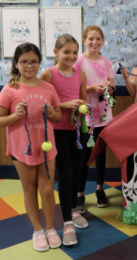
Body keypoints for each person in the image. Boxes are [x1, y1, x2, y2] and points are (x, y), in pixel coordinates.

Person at [0, 43, 62, 251]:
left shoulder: (49, 88)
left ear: (39, 63)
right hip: (22, 148)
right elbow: (1, 120)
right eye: (24, 61)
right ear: (16, 63)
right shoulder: (10, 89)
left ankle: (51, 228)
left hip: (46, 148)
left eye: (34, 61)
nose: (29, 66)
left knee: (47, 190)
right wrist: (14, 116)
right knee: (29, 190)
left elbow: (59, 117)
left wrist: (51, 112)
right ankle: (37, 230)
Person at [39, 35, 88, 246]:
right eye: (66, 52)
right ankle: (67, 222)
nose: (71, 56)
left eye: (75, 52)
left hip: (77, 131)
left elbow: (83, 98)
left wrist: (82, 107)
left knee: (77, 171)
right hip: (56, 132)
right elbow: (43, 104)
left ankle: (74, 210)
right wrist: (65, 105)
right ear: (56, 51)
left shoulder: (81, 74)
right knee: (66, 174)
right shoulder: (48, 74)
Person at [73, 26, 115, 213]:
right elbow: (73, 87)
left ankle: (99, 189)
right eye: (90, 39)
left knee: (100, 154)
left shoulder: (106, 62)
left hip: (104, 116)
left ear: (103, 41)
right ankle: (80, 193)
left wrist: (107, 88)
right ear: (84, 40)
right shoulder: (79, 61)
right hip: (86, 117)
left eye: (98, 39)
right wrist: (91, 89)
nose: (94, 42)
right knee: (84, 157)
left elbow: (112, 87)